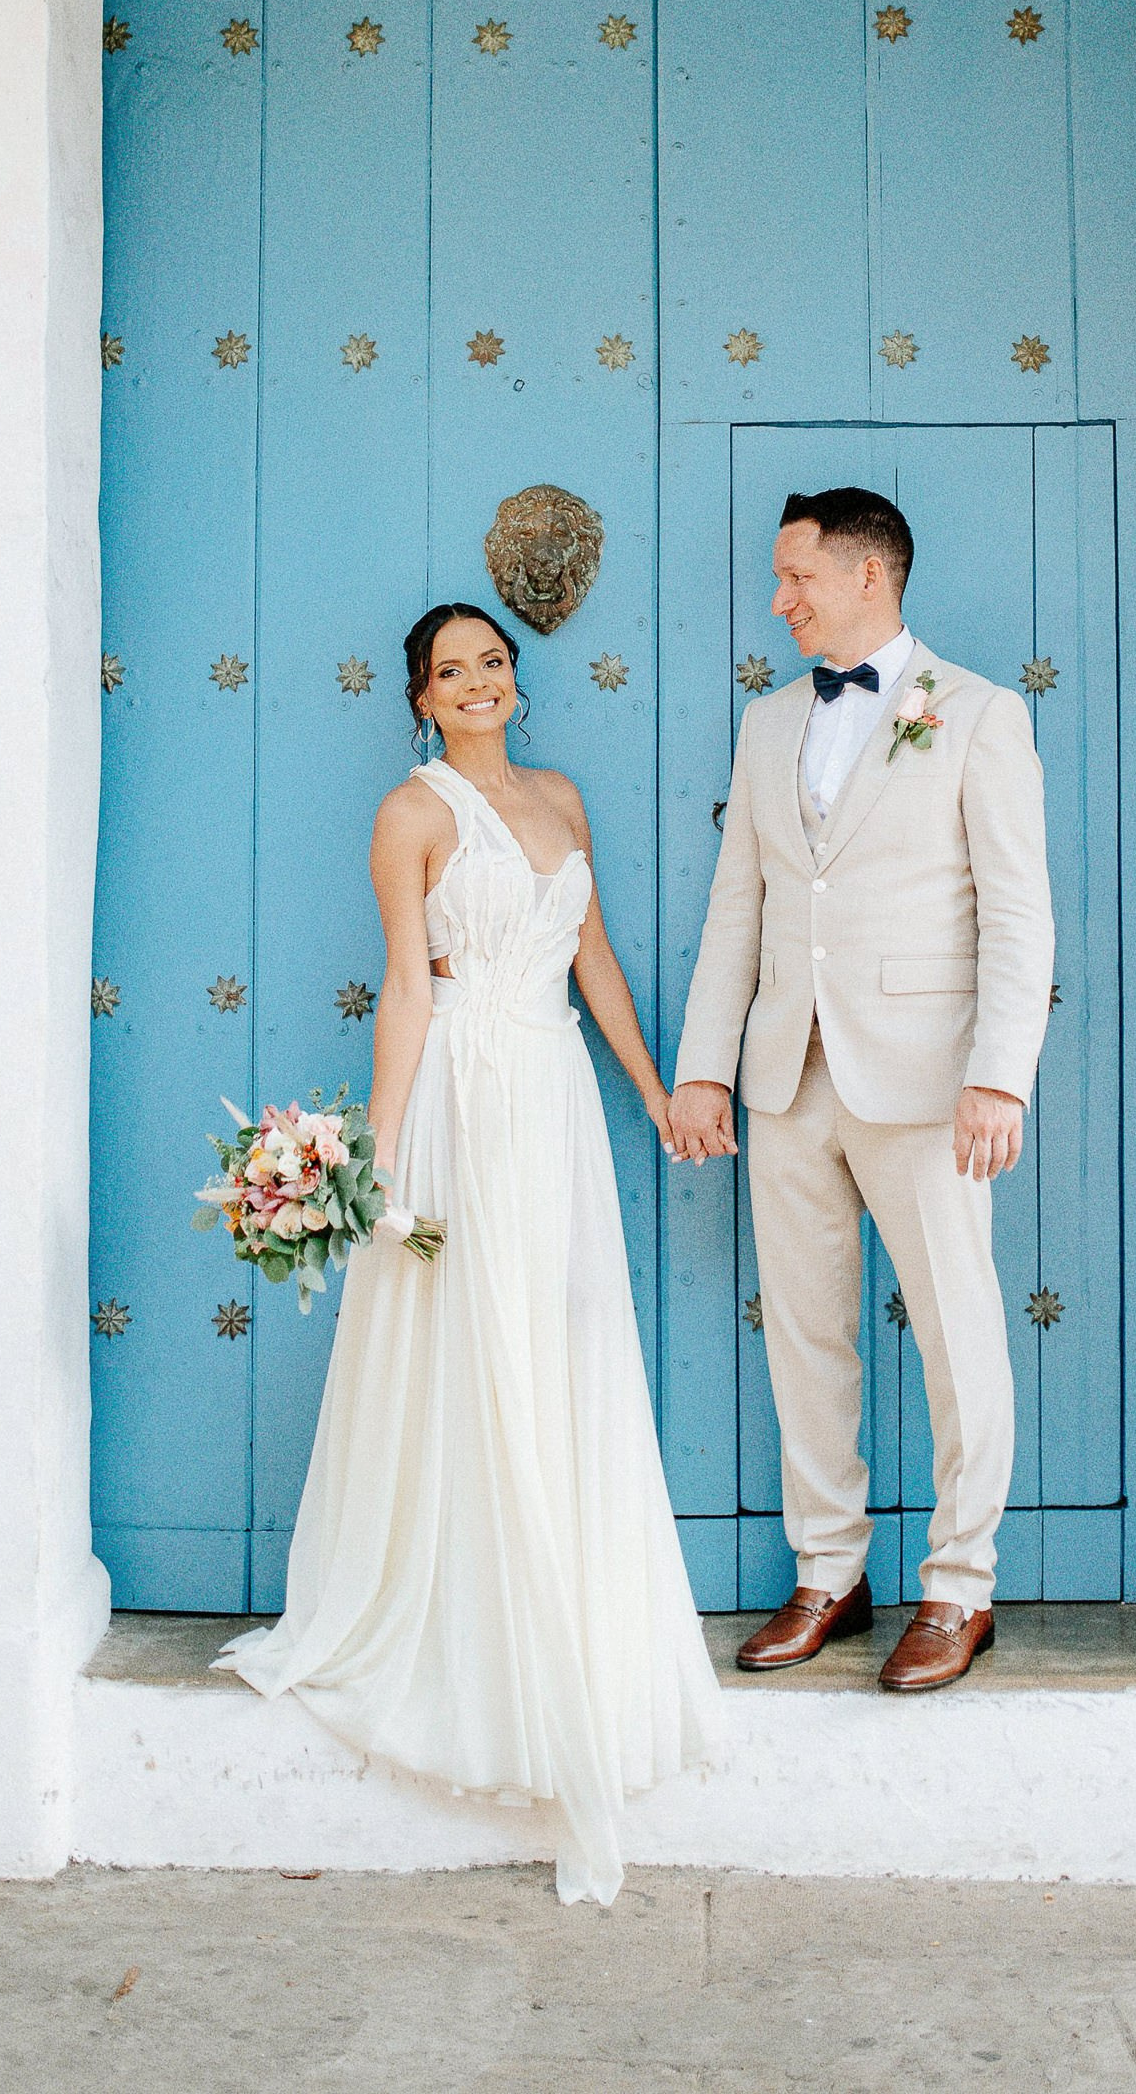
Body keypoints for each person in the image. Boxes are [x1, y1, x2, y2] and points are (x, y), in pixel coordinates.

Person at [221, 602, 722, 1906]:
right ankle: (485, 1645)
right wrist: (377, 1157)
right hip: (465, 1094)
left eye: (490, 663)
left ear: (513, 674)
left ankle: (573, 1615)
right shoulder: (412, 812)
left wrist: (654, 1089)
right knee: (480, 1341)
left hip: (551, 1096)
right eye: (450, 672)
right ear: (421, 697)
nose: (476, 684)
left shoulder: (558, 795)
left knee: (558, 1345)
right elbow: (406, 983)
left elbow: (592, 956)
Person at [672, 488, 1055, 1692]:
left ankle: (958, 1587)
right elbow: (740, 901)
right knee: (804, 1336)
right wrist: (703, 1066)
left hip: (928, 1083)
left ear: (866, 576)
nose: (777, 598)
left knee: (956, 1332)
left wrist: (998, 1075)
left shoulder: (978, 716)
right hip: (789, 1076)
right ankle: (826, 1572)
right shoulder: (767, 720)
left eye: (795, 577)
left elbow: (1018, 910)